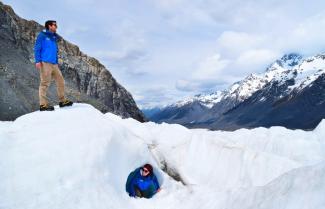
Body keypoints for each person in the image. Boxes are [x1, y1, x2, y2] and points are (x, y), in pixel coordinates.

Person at [34, 20, 73, 111]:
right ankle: (43, 105)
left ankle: (62, 101)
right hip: (45, 63)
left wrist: (55, 61)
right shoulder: (42, 35)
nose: (56, 27)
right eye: (54, 25)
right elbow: (37, 48)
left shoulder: (53, 37)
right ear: (49, 26)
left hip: (54, 64)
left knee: (61, 81)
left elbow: (56, 47)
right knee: (45, 83)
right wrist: (37, 61)